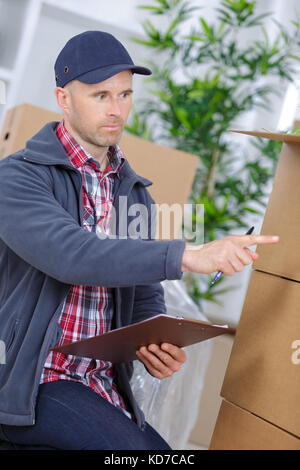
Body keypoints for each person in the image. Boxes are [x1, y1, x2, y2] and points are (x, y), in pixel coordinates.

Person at [0, 31, 279, 451]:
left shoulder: (133, 194)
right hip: (35, 381)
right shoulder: (18, 178)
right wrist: (188, 254)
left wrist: (153, 344)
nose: (117, 110)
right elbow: (71, 254)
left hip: (100, 384)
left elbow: (144, 296)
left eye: (126, 95)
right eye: (101, 96)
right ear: (63, 98)